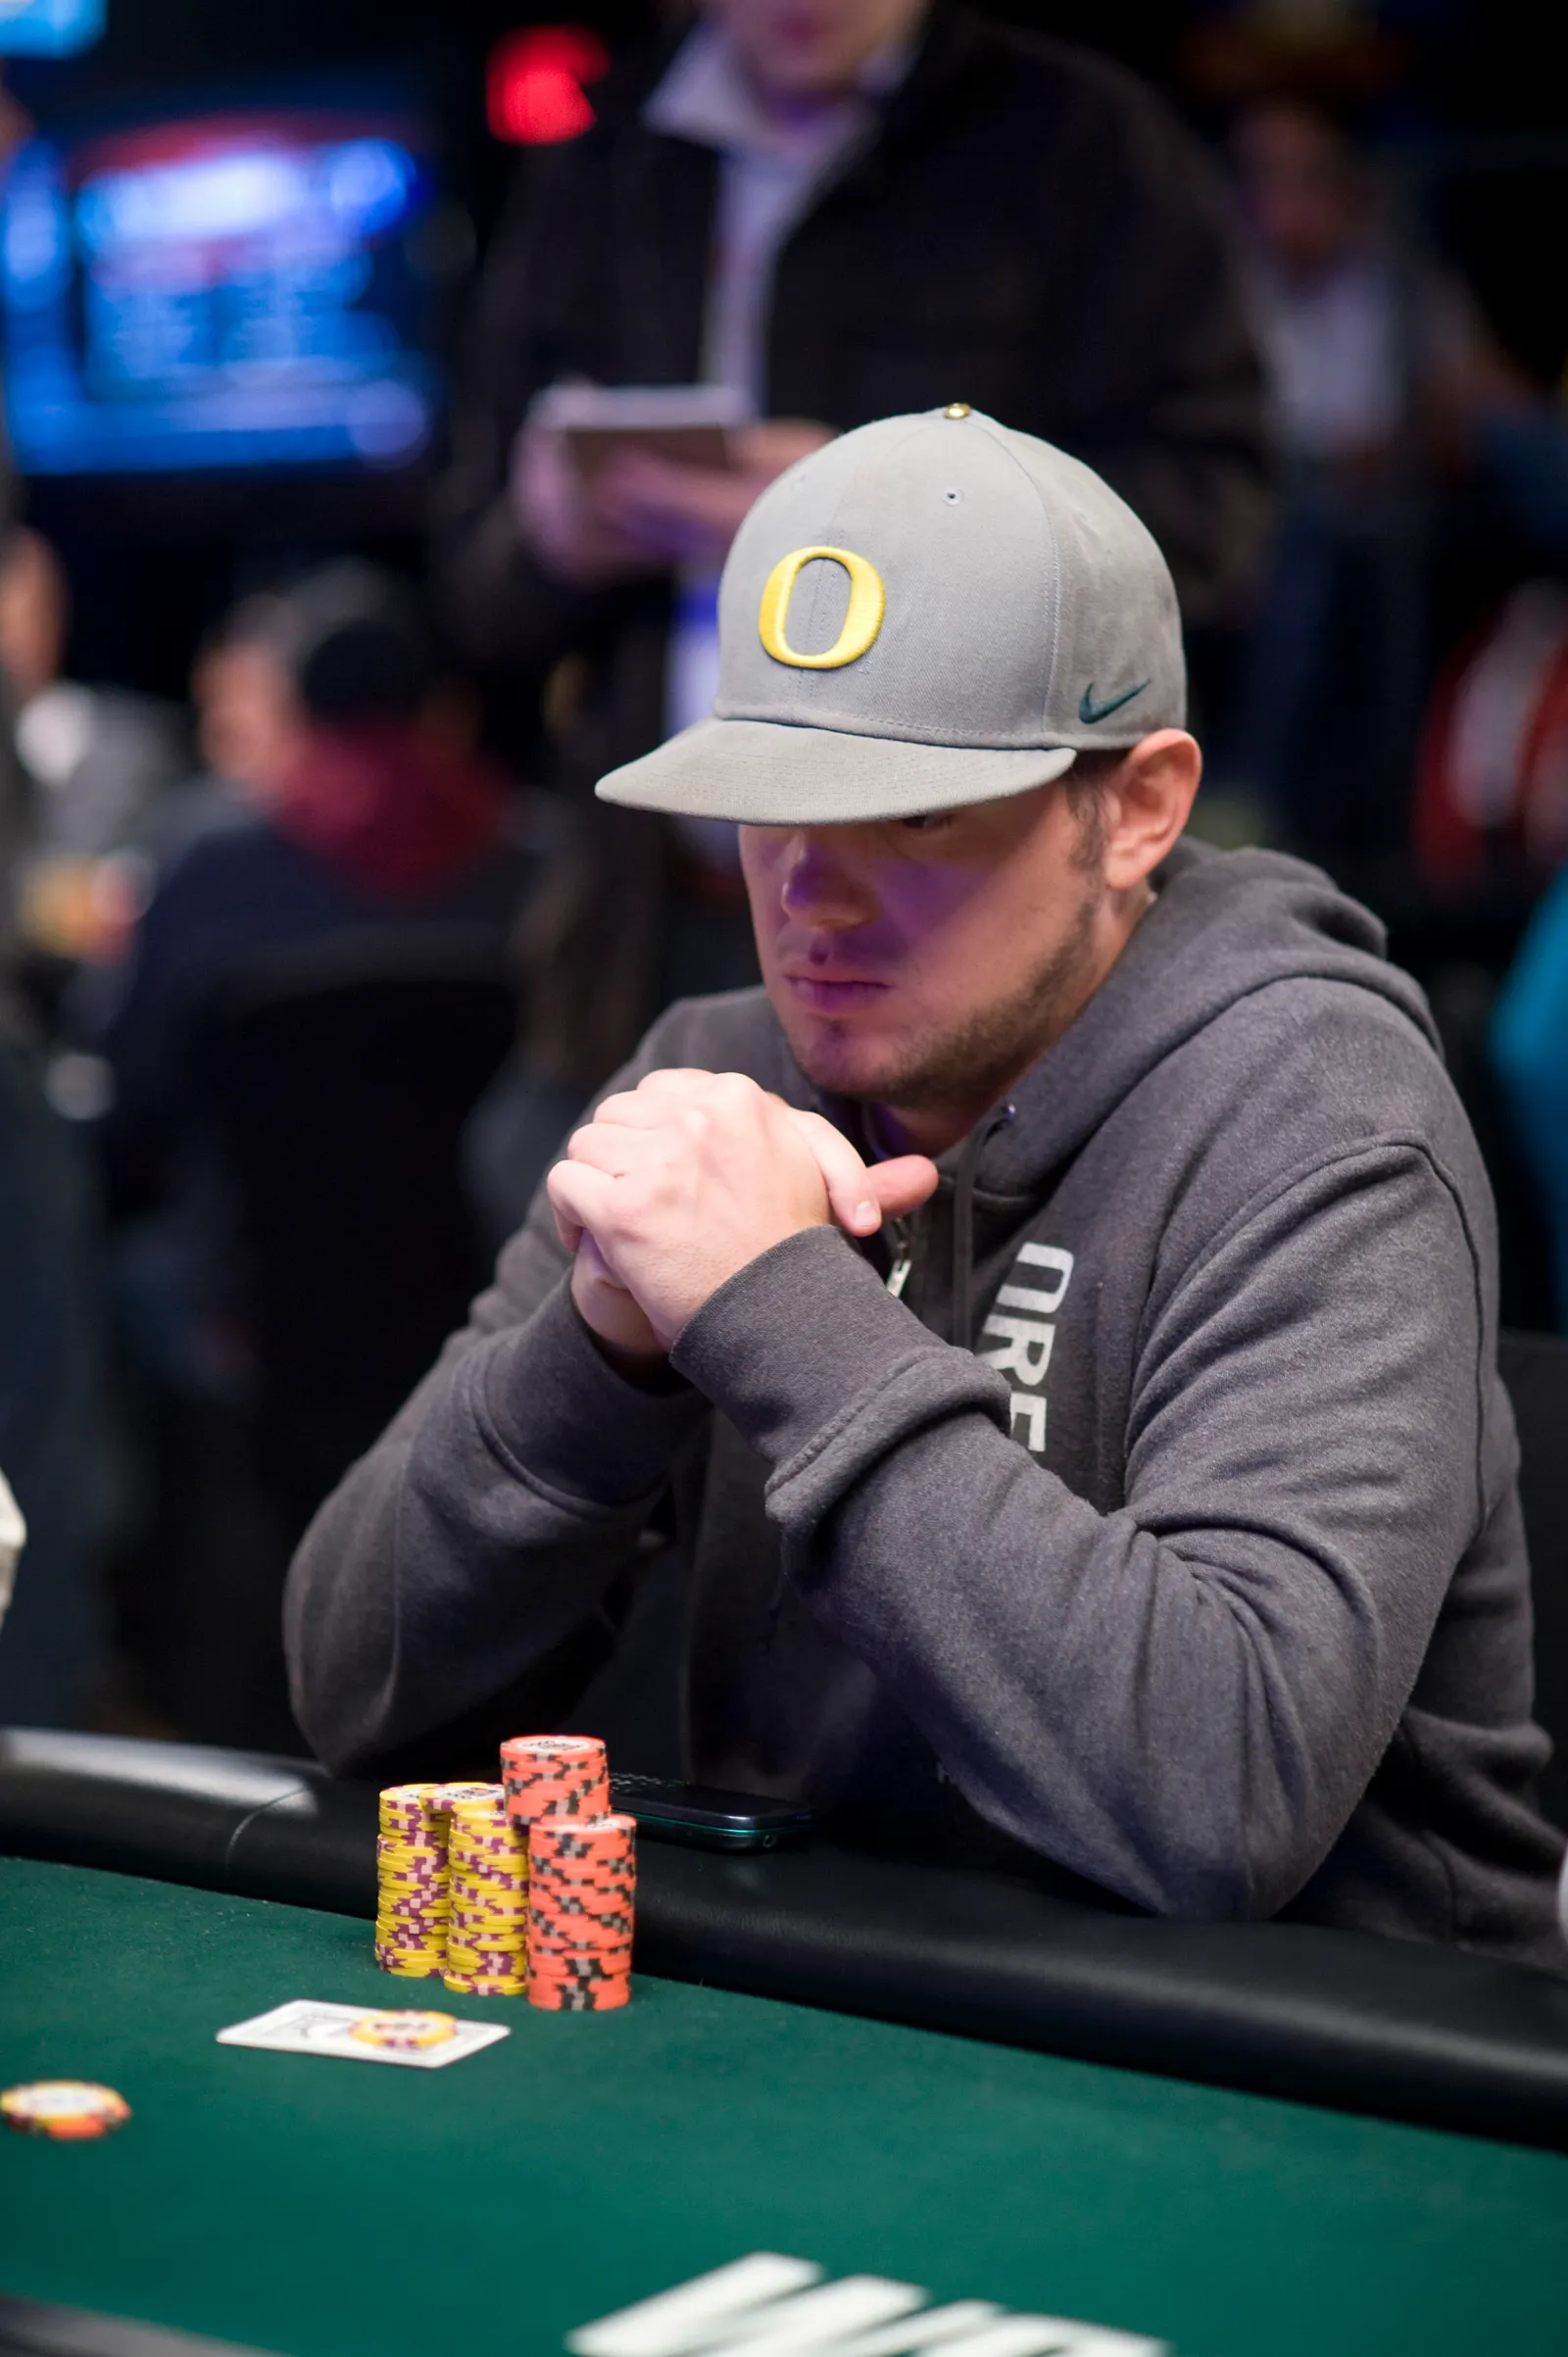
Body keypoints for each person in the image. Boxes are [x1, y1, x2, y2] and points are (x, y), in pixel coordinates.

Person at [290, 407, 1562, 1963]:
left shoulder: (1317, 1109)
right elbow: (350, 1692)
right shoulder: (718, 1072)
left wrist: (773, 1309)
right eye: (774, 804)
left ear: (1138, 809)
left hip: (1322, 2056)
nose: (812, 896)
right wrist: (600, 1358)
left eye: (912, 814)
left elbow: (1221, 1800)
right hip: (851, 2006)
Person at [437, 0, 1270, 1223]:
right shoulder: (602, 156)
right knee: (578, 1234)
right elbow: (473, 577)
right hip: (644, 902)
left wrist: (885, 517)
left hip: (981, 921)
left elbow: (1213, 521)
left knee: (957, 1260)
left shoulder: (1080, 143)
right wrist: (548, 538)